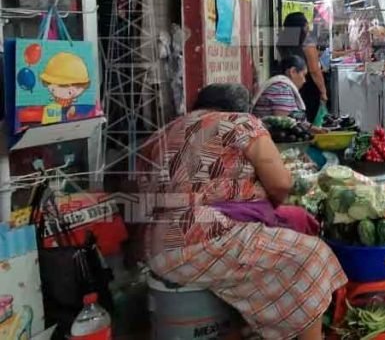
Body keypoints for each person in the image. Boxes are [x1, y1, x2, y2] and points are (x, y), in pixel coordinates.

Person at [141, 84, 345, 340]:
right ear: (240, 109)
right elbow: (281, 183)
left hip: (159, 248)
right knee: (311, 256)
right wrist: (270, 206)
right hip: (202, 239)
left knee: (264, 251)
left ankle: (252, 327)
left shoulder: (168, 130)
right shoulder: (241, 123)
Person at [278, 12, 329, 122]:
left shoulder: (282, 42)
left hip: (287, 84)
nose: (308, 29)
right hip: (307, 85)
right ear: (302, 27)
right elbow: (314, 70)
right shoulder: (307, 42)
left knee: (294, 119)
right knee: (308, 119)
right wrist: (323, 91)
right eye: (306, 26)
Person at [251, 54, 308, 119]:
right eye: (303, 75)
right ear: (293, 72)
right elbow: (285, 122)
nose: (304, 80)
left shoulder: (282, 87)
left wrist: (316, 129)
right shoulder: (281, 89)